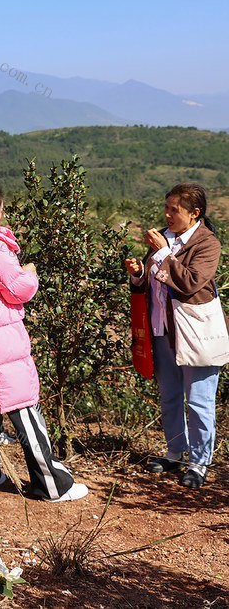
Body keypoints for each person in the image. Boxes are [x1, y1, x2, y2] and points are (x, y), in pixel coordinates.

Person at [0, 171, 88, 502]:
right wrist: (30, 273)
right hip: (3, 340)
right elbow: (18, 288)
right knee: (24, 407)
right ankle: (52, 484)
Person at [124, 183, 225, 489]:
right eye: (166, 207)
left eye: (174, 209)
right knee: (169, 397)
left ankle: (199, 462)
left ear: (195, 213)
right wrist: (140, 272)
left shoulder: (208, 244)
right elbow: (155, 285)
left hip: (196, 334)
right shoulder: (164, 240)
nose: (167, 214)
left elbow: (190, 283)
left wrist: (165, 253)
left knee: (199, 401)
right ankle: (175, 452)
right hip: (163, 331)